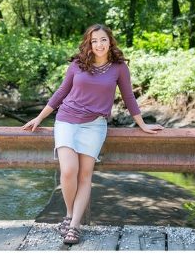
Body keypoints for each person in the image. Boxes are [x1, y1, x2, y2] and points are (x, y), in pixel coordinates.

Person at [22, 24, 162, 245]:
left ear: (110, 41)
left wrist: (142, 124)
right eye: (94, 40)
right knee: (68, 171)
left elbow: (128, 97)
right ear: (89, 42)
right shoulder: (78, 64)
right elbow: (61, 92)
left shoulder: (119, 68)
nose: (99, 44)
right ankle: (69, 214)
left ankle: (74, 226)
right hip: (67, 119)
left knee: (85, 176)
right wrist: (39, 118)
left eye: (103, 40)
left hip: (95, 125)